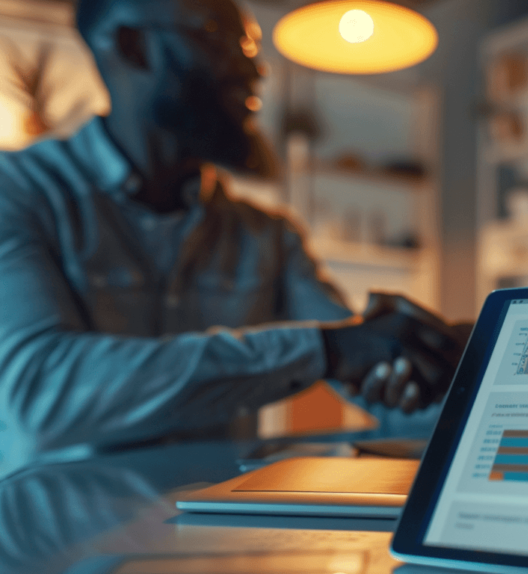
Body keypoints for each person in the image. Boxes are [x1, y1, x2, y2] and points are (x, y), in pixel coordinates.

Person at [0, 0, 463, 476]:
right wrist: (327, 351)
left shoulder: (268, 235)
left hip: (216, 534)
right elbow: (39, 393)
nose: (255, 68)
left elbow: (363, 363)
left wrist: (438, 368)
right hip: (54, 540)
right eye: (224, 38)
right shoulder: (16, 193)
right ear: (133, 45)